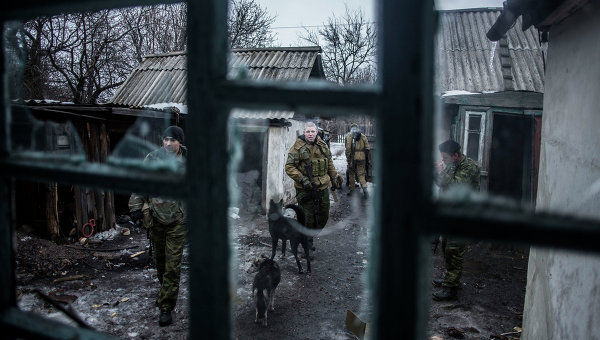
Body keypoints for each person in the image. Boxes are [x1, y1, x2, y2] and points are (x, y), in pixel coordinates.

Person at [129, 125, 187, 326]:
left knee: (172, 266)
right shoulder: (152, 159)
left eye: (173, 140)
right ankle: (167, 292)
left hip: (179, 220)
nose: (169, 143)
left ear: (180, 141)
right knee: (161, 263)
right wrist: (136, 207)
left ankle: (166, 307)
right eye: (165, 140)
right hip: (155, 219)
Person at [432, 140, 480, 301]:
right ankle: (451, 279)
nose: (443, 161)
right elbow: (442, 185)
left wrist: (441, 172)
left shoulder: (470, 167)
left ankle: (450, 289)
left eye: (445, 158)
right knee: (447, 248)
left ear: (456, 155)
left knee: (455, 250)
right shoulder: (452, 165)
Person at [285, 122, 343, 251]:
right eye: (308, 132)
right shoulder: (297, 147)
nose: (310, 134)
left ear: (316, 132)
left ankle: (307, 236)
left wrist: (334, 176)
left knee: (323, 216)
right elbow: (289, 167)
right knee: (307, 218)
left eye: (312, 131)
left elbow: (329, 163)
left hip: (322, 188)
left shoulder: (322, 145)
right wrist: (302, 179)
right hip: (305, 189)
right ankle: (307, 243)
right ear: (304, 132)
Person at [345, 123, 371, 198]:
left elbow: (348, 149)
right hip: (362, 158)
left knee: (351, 174)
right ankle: (365, 191)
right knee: (361, 174)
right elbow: (367, 148)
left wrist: (348, 159)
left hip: (353, 159)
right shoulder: (363, 136)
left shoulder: (350, 136)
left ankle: (352, 190)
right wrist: (367, 159)